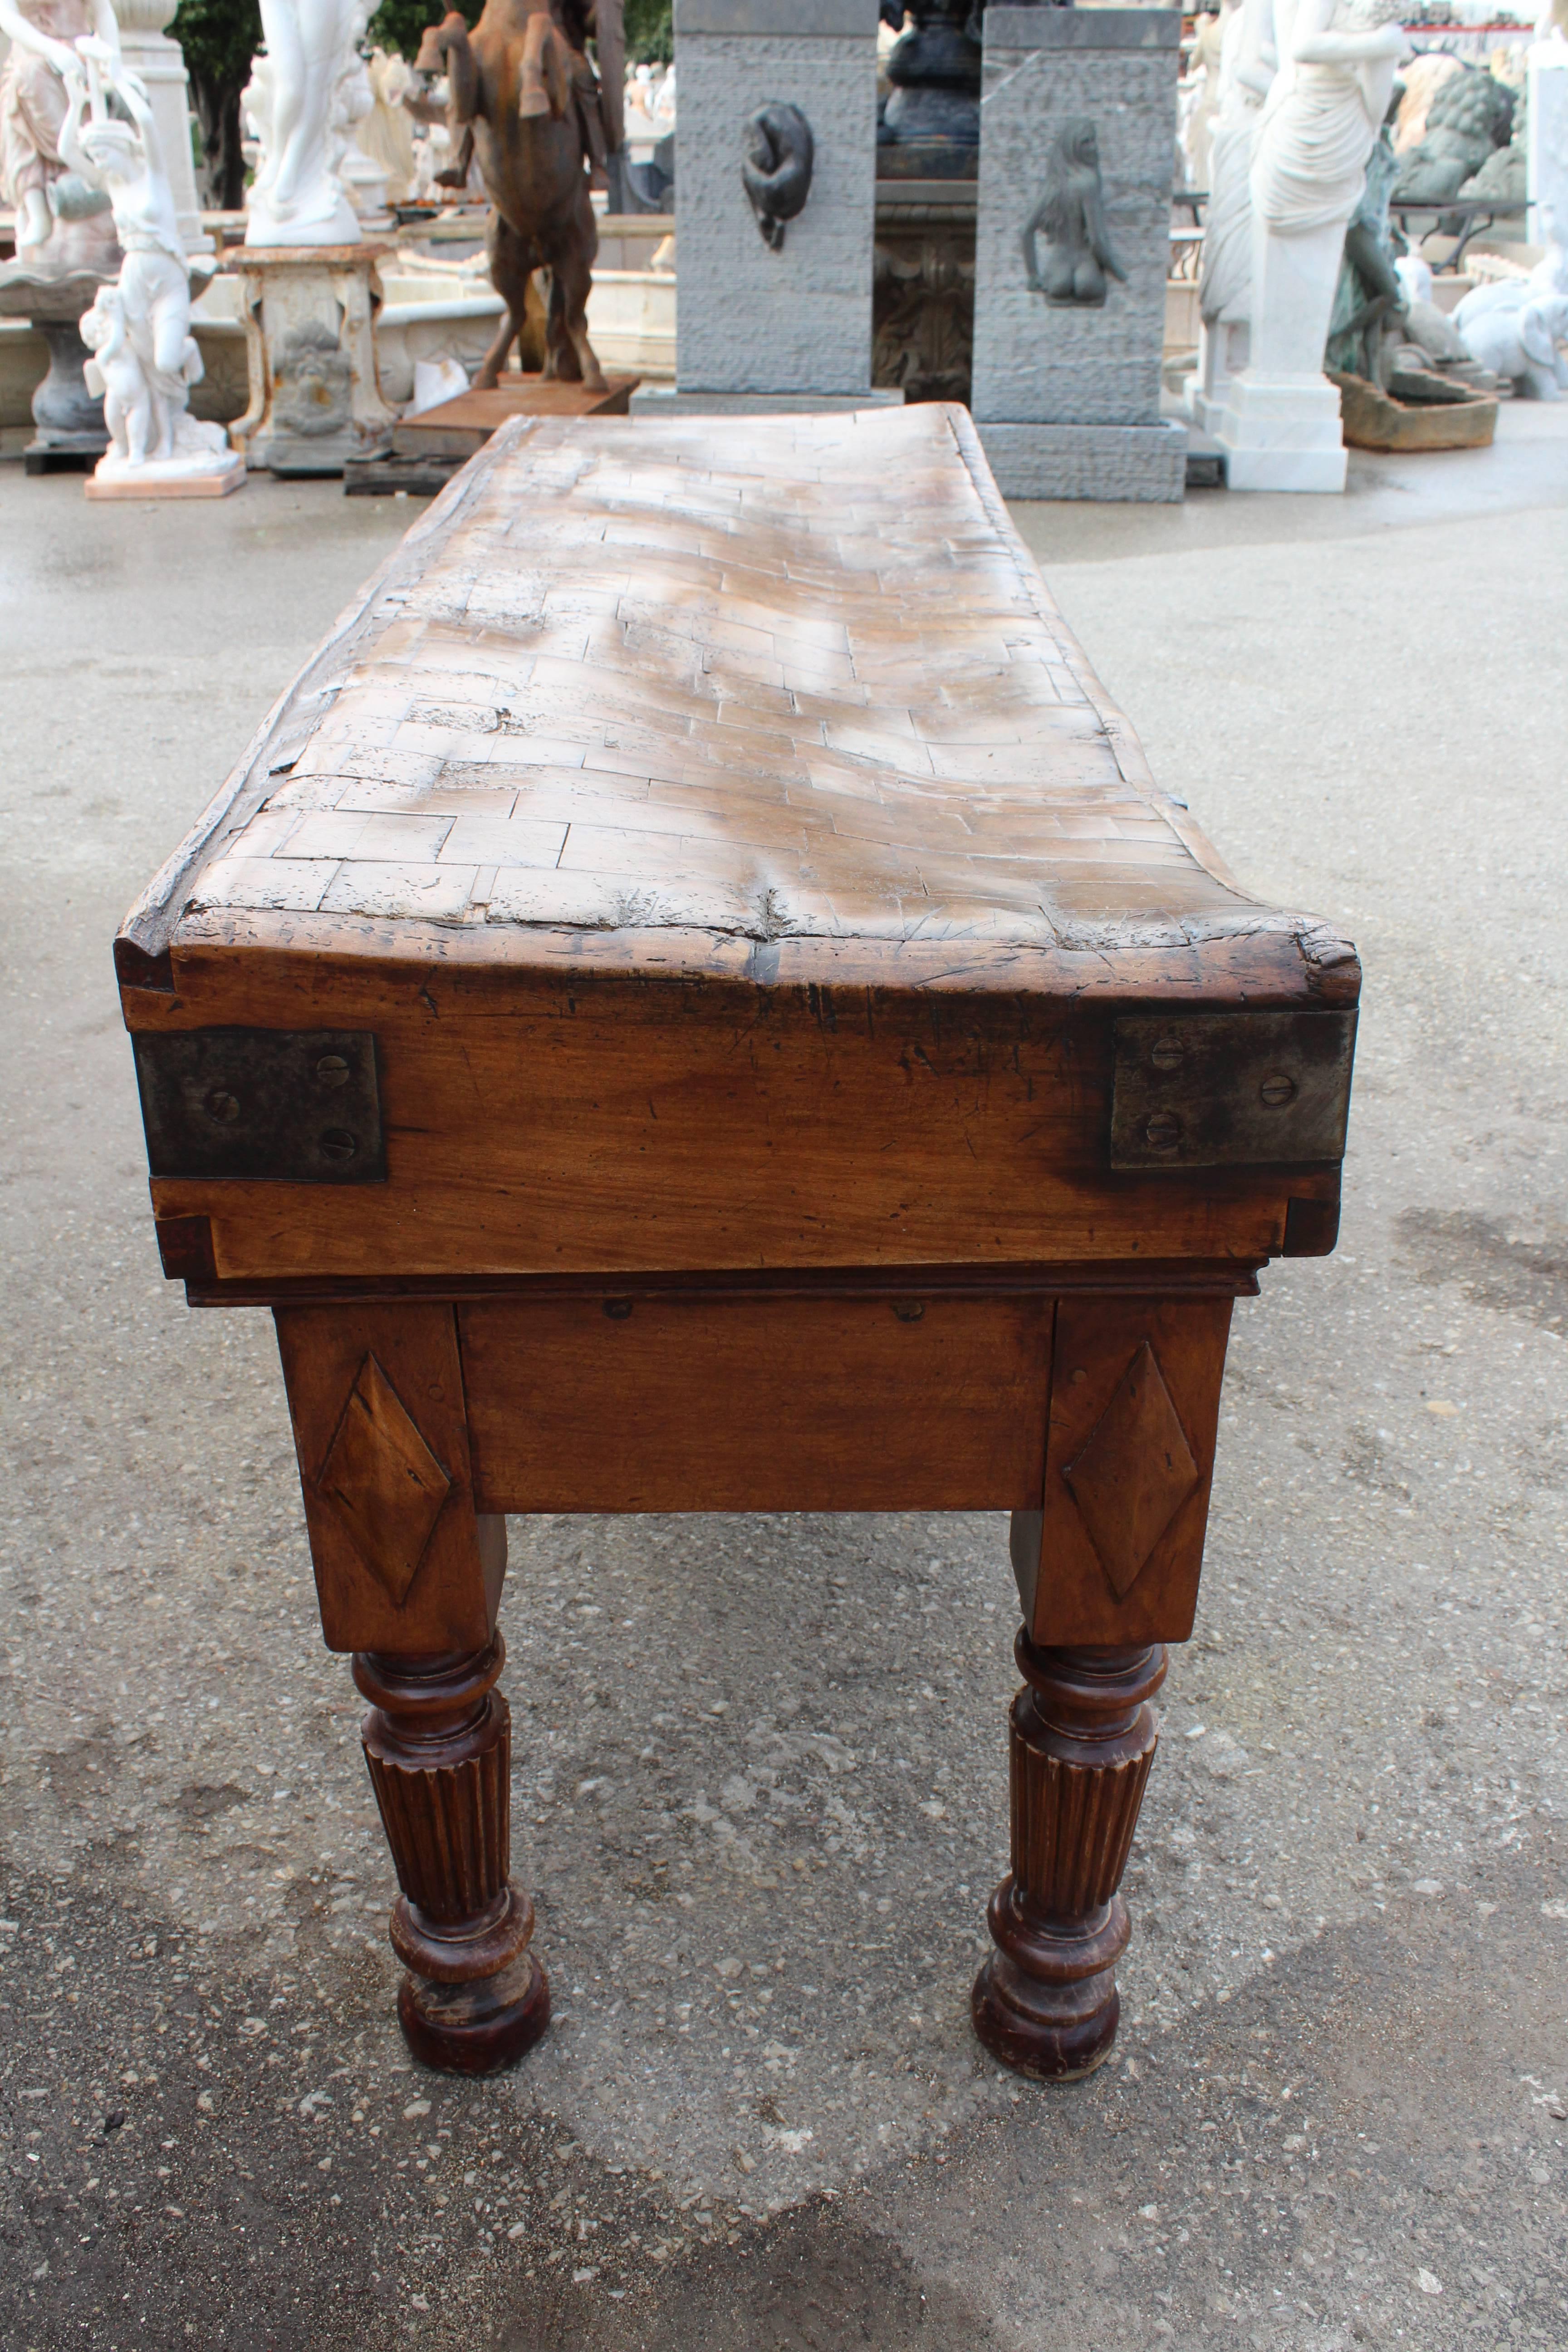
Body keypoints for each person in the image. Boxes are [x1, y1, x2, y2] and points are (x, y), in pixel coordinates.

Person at [0, 0, 120, 261]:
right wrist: (52, 50)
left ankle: (81, 162)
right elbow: (5, 14)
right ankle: (36, 206)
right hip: (35, 58)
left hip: (79, 62)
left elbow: (103, 10)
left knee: (27, 84)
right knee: (19, 88)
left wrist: (113, 63)